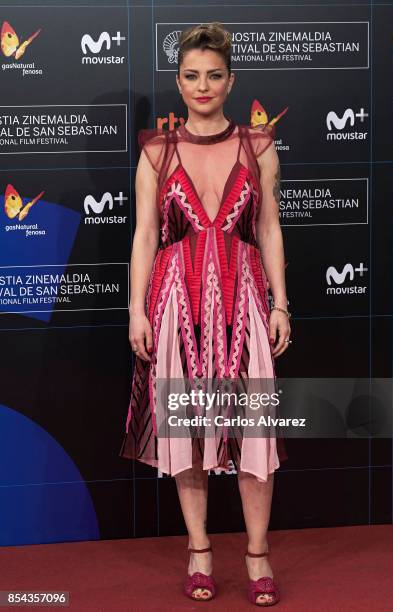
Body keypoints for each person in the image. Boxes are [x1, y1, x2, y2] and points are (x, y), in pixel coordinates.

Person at [120, 21, 292, 607]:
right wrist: (136, 311)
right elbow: (145, 236)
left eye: (214, 75)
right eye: (192, 75)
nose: (202, 86)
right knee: (186, 432)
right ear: (179, 81)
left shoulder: (258, 146)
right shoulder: (156, 151)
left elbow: (268, 228)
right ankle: (199, 551)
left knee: (253, 432)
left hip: (243, 300)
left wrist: (281, 303)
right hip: (175, 305)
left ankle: (257, 553)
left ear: (230, 80)